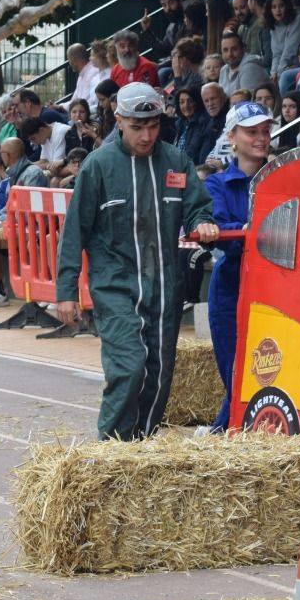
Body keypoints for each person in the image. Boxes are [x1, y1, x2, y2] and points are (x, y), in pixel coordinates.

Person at [56, 83, 218, 440]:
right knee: (129, 367)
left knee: (159, 373)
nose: (146, 135)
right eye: (136, 127)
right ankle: (109, 451)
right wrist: (65, 291)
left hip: (164, 285)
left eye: (153, 125)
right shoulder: (98, 167)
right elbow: (74, 232)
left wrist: (201, 222)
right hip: (115, 286)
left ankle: (139, 447)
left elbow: (197, 206)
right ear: (118, 121)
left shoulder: (176, 162)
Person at [206, 101, 274, 432]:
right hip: (233, 285)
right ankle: (223, 436)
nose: (261, 138)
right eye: (251, 132)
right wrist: (253, 233)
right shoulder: (218, 183)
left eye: (265, 131)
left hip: (277, 289)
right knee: (236, 373)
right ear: (232, 137)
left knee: (265, 374)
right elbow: (222, 232)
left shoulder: (284, 175)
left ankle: (222, 436)